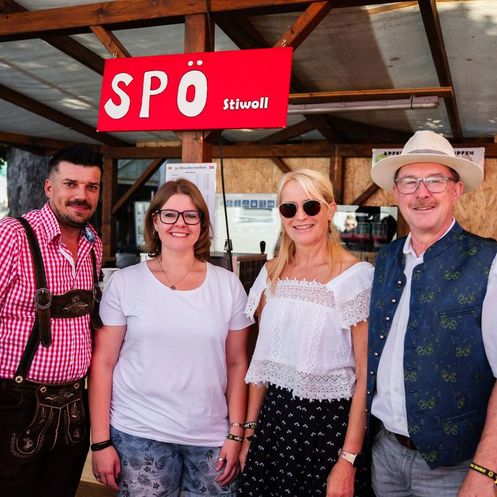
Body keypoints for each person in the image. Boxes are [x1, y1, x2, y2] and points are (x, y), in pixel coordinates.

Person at [89, 178, 253, 496]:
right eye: (170, 214)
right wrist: (100, 441)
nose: (180, 223)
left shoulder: (228, 285)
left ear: (203, 224)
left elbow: (237, 364)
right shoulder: (125, 283)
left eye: (191, 215)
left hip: (211, 437)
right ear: (154, 221)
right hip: (138, 432)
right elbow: (103, 363)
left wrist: (237, 434)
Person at [367, 130, 497, 497]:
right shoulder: (386, 259)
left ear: (456, 190)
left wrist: (486, 470)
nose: (421, 193)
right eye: (409, 181)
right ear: (396, 193)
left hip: (455, 467)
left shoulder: (489, 263)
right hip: (386, 453)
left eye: (434, 180)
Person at [239, 169, 374, 497]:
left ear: (330, 209)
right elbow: (262, 365)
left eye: (310, 206)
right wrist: (248, 433)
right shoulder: (271, 273)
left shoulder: (357, 278)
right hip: (273, 424)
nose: (300, 216)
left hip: (327, 428)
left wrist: (348, 457)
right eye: (289, 209)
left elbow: (365, 377)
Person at [0, 144, 104, 497]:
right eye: (70, 184)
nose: (81, 196)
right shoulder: (13, 236)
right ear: (49, 187)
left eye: (91, 187)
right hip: (16, 404)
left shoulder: (94, 245)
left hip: (74, 407)